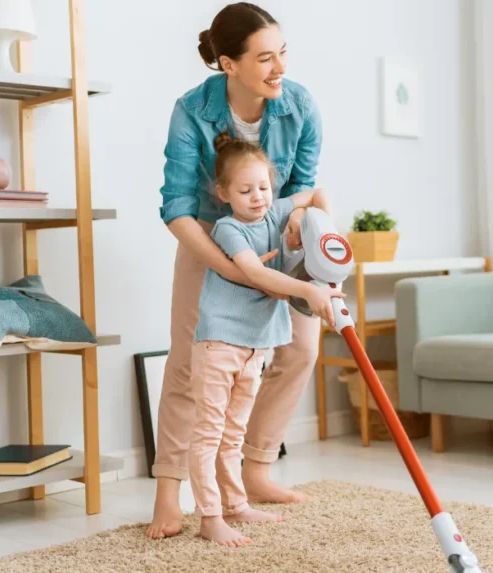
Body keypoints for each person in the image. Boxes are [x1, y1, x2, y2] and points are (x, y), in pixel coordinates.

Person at [149, 2, 325, 540]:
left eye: (283, 54)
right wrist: (233, 267)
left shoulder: (298, 104)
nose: (280, 68)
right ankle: (167, 494)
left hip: (276, 236)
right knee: (189, 364)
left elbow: (305, 181)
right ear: (229, 64)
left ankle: (254, 471)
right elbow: (176, 205)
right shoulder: (192, 111)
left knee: (301, 348)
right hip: (208, 239)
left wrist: (293, 218)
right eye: (265, 58)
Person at [188, 135, 340, 546]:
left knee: (234, 434)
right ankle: (209, 516)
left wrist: (300, 213)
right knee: (208, 435)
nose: (257, 198)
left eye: (264, 188)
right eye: (245, 190)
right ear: (223, 193)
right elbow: (254, 273)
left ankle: (235, 506)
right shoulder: (228, 229)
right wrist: (306, 290)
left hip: (256, 346)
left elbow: (321, 193)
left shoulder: (274, 215)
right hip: (220, 344)